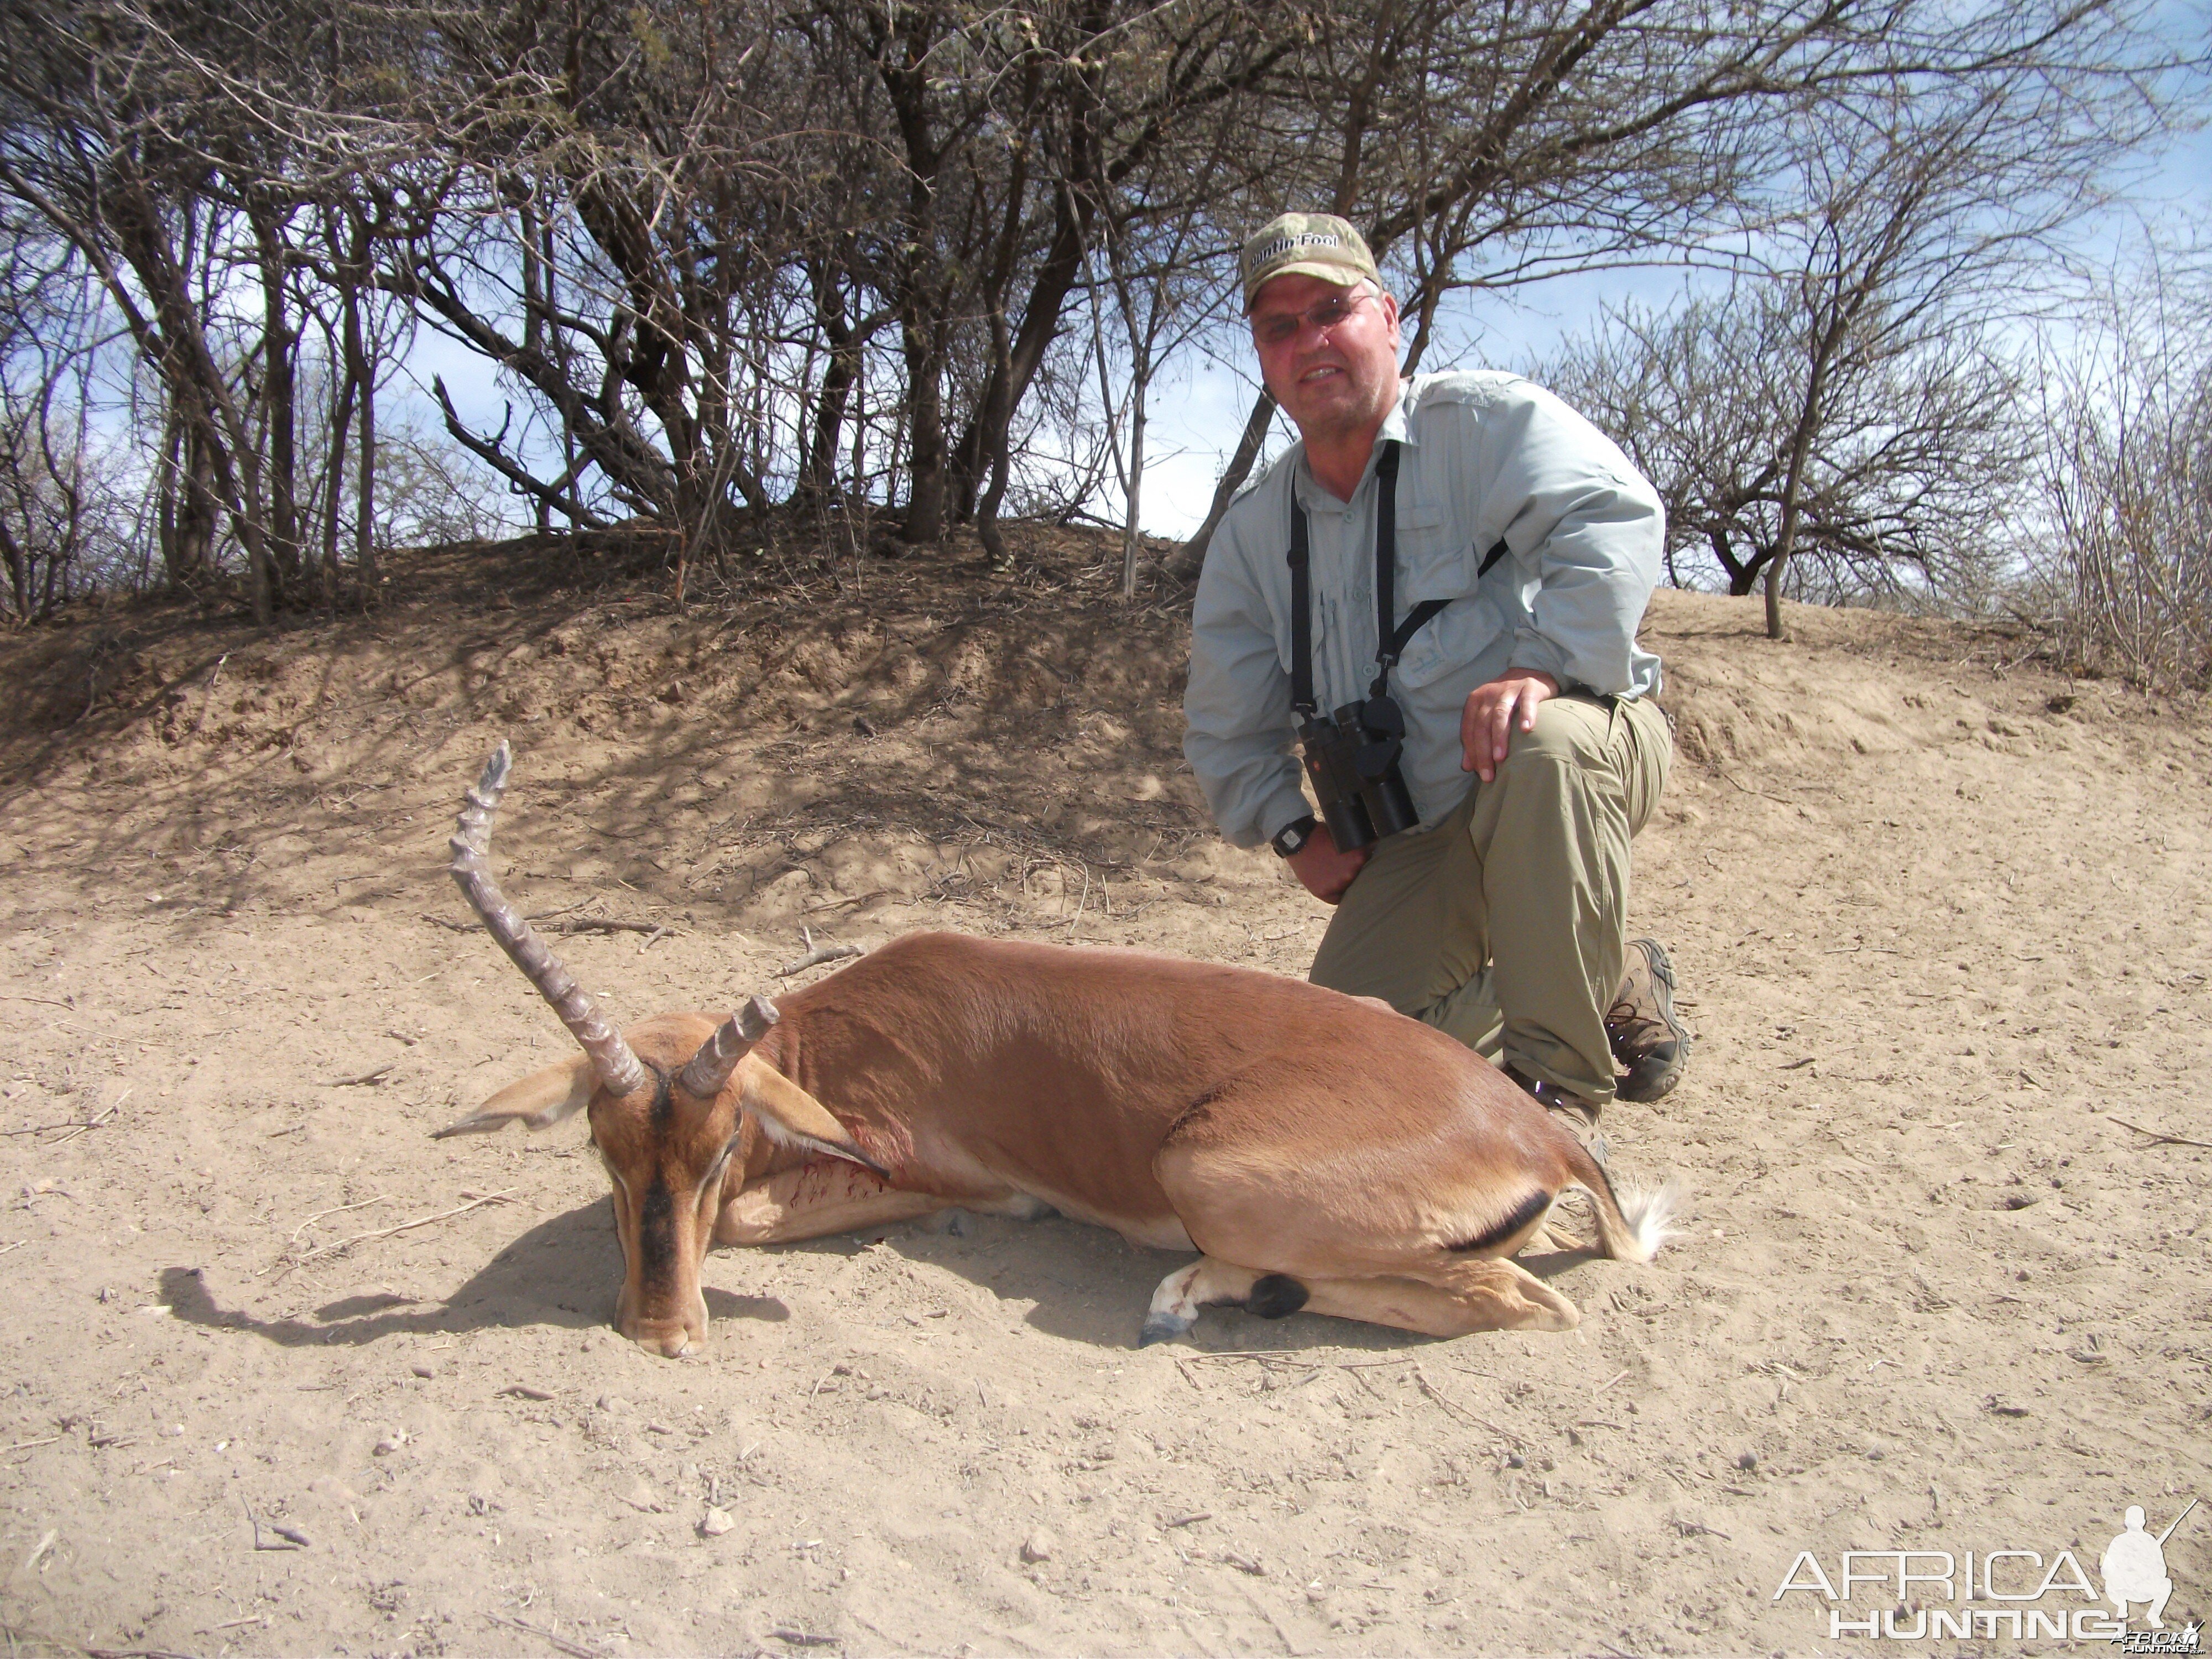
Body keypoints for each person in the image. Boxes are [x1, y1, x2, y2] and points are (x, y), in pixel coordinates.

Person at [1182, 212, 1688, 1128]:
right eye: (1280, 326)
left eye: (1333, 309)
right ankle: (1605, 962)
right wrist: (1296, 834)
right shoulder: (1253, 536)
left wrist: (1545, 666)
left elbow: (1615, 517)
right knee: (1334, 1058)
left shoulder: (1485, 423)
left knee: (1547, 744)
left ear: (1388, 318)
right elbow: (1226, 722)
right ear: (1261, 355)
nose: (1311, 340)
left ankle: (1560, 1095)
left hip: (1575, 754)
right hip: (1423, 826)